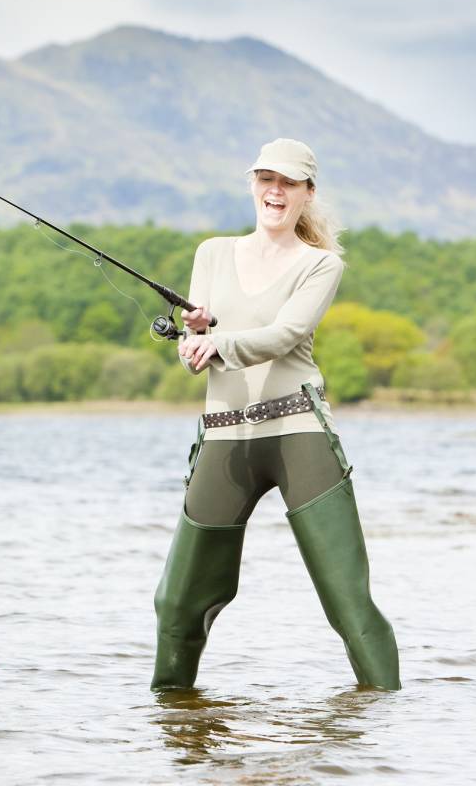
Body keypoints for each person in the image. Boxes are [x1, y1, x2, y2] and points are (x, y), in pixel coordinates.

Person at [151, 138, 400, 691]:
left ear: (308, 193)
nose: (275, 191)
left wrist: (219, 344)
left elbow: (285, 334)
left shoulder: (321, 265)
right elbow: (200, 347)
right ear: (254, 185)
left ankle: (390, 728)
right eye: (266, 179)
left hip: (298, 432)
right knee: (177, 603)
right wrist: (194, 345)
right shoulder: (211, 253)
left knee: (347, 601)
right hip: (223, 436)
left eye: (288, 182)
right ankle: (173, 728)